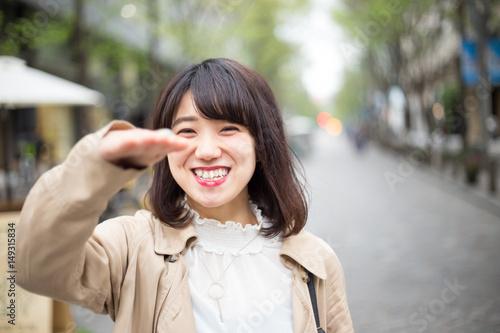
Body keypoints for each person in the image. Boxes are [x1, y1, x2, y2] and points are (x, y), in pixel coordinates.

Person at [17, 58, 354, 332]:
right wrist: (95, 166)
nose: (206, 151)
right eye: (187, 131)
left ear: (260, 143)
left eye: (228, 128)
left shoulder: (314, 260)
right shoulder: (133, 245)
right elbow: (35, 267)